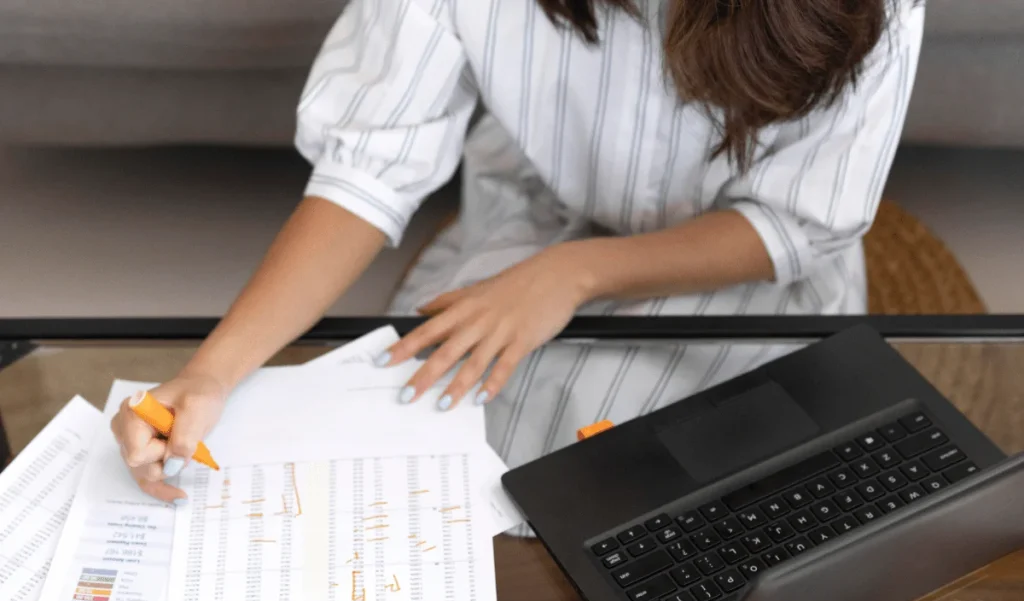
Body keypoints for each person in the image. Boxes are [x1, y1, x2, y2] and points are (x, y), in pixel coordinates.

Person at [112, 0, 925, 512]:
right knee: (433, 465)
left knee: (690, 505)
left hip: (740, 257)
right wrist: (211, 371)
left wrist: (574, 274)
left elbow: (796, 221)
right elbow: (367, 170)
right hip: (540, 214)